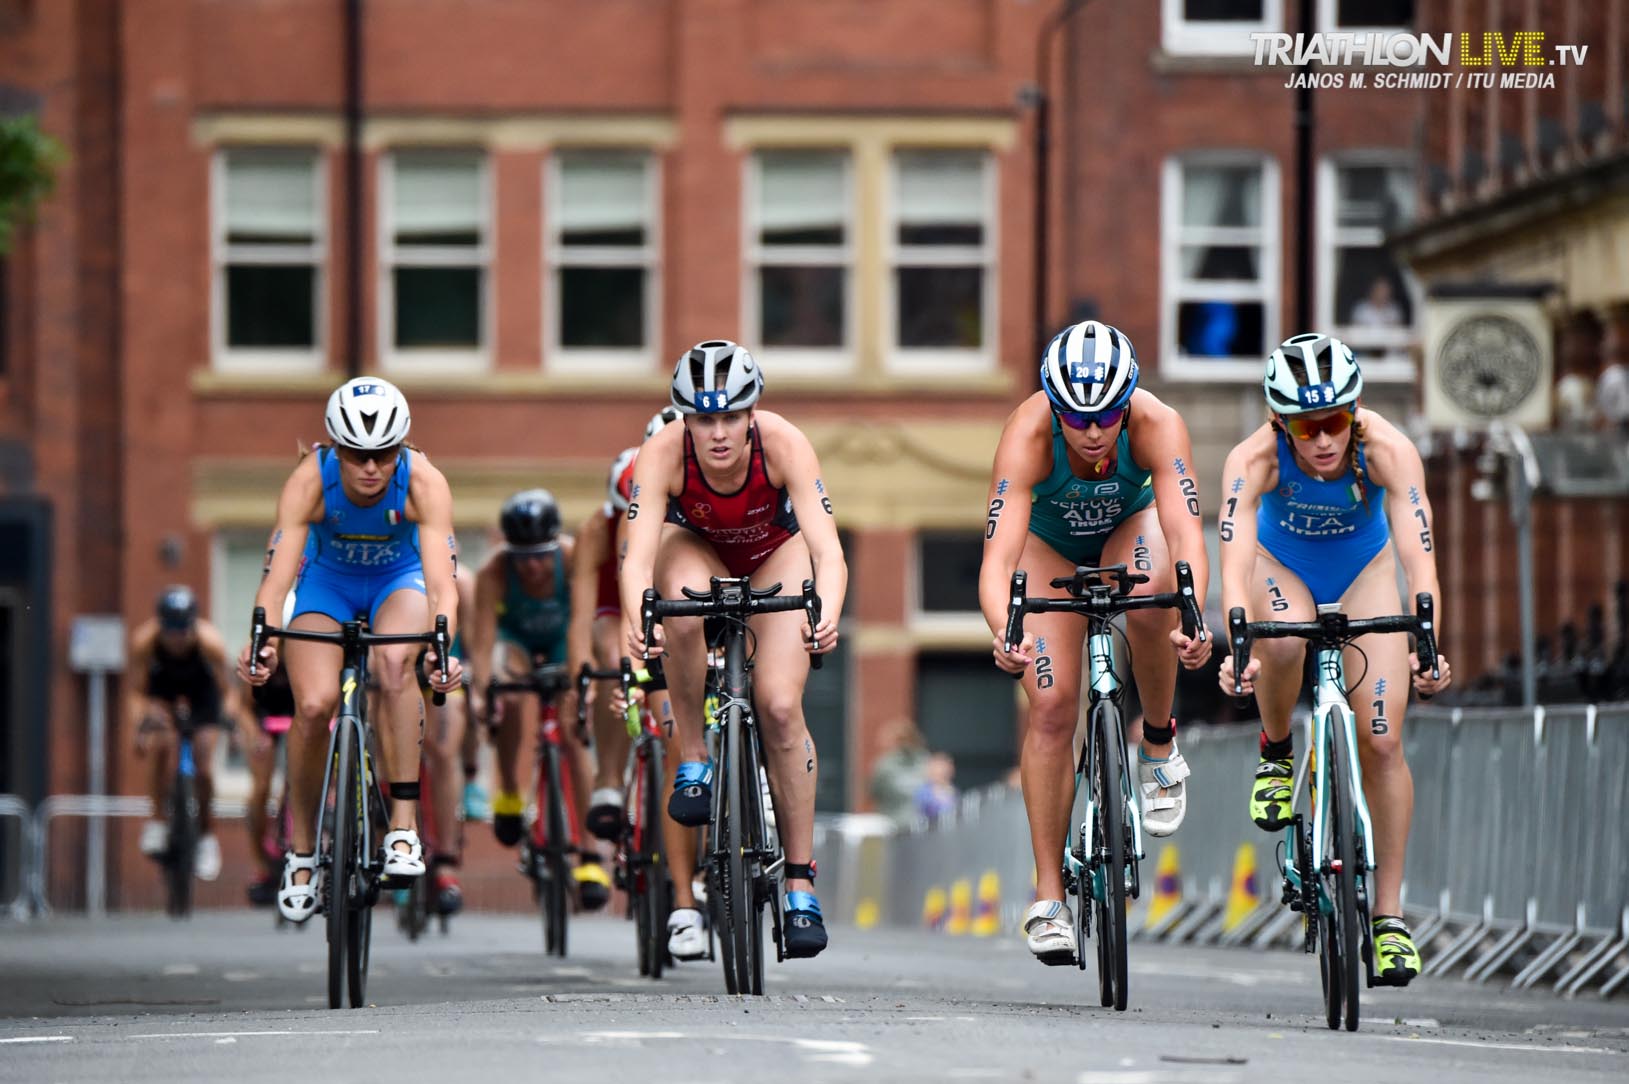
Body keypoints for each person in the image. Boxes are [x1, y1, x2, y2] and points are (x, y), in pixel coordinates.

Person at [1215, 332, 1454, 986]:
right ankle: (1274, 749)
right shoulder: (1253, 458)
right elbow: (1232, 564)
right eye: (1304, 426)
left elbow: (1418, 556)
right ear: (1277, 422)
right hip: (1281, 568)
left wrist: (1428, 638)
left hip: (1363, 572)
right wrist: (1240, 639)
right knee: (1285, 637)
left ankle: (1388, 918)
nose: (1322, 440)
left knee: (1381, 742)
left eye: (1335, 422)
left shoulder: (1388, 449)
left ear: (1354, 412)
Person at [980, 319, 1212, 966]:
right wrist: (1006, 630)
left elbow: (1186, 530)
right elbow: (996, 561)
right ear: (1053, 408)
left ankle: (1159, 742)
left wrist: (1192, 612)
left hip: (1129, 528)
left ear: (1127, 401)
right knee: (1051, 707)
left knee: (1148, 594)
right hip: (1046, 546)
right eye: (1074, 417)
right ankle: (1048, 894)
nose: (1090, 431)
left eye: (1106, 414)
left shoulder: (1156, 424)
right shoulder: (1027, 434)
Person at [622, 340, 846, 961]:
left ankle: (799, 880)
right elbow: (638, 556)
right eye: (702, 418)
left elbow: (828, 551)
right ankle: (694, 753)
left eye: (729, 417)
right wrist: (640, 621)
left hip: (777, 553)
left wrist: (824, 608)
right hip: (698, 549)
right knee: (683, 602)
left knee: (777, 706)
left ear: (752, 413)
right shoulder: (662, 454)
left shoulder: (784, 443)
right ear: (684, 419)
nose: (718, 433)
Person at [235, 377, 464, 924]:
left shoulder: (424, 481)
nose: (370, 469)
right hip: (327, 583)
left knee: (392, 665)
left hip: (397, 581)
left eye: (383, 455)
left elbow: (442, 585)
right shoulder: (309, 480)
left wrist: (440, 647)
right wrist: (261, 636)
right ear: (335, 449)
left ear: (401, 448)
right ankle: (302, 853)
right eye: (357, 455)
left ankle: (404, 828)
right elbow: (277, 575)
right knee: (313, 706)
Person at [465, 489, 609, 911]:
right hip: (519, 644)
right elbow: (483, 642)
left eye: (540, 555)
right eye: (522, 557)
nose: (532, 566)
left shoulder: (570, 558)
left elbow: (586, 620)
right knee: (510, 699)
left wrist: (583, 680)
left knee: (573, 733)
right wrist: (482, 693)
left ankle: (588, 853)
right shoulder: (495, 571)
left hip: (566, 641)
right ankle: (509, 790)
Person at [128, 585, 243, 883]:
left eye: (183, 630)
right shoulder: (145, 642)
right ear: (160, 626)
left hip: (204, 695)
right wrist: (139, 726)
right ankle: (157, 820)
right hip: (162, 693)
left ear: (193, 625)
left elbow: (229, 692)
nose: (177, 639)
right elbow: (137, 694)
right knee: (162, 744)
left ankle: (206, 836)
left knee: (204, 766)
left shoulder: (210, 643)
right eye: (171, 630)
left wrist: (231, 725)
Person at [420, 565, 478, 916]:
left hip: (442, 670)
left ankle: (445, 859)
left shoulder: (464, 581)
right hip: (396, 665)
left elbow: (471, 644)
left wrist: (470, 672)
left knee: (442, 751)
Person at [243, 595, 298, 907]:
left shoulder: (311, 655)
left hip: (298, 720)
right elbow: (240, 706)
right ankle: (261, 865)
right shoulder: (260, 655)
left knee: (308, 780)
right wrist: (254, 734)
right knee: (260, 788)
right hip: (265, 721)